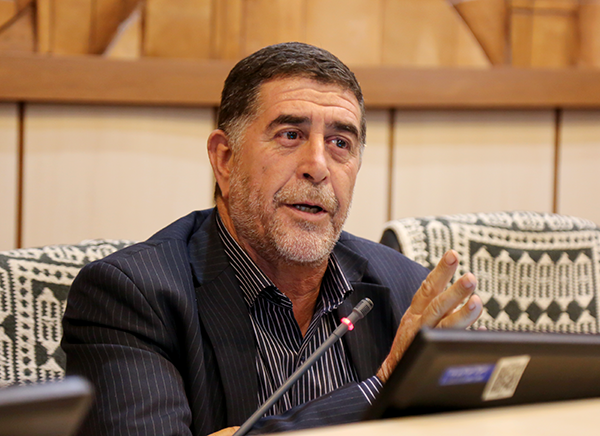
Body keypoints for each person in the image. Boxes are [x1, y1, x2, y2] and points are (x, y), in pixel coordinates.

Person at [62, 42, 482, 436]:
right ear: (225, 160)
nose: (317, 166)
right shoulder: (130, 298)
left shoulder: (406, 292)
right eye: (290, 135)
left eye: (340, 143)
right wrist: (381, 388)